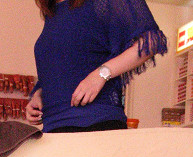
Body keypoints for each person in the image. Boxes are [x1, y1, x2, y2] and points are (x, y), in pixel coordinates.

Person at [25, 0, 167, 132]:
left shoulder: (102, 3)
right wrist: (39, 94)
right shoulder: (53, 11)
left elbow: (152, 41)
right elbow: (67, 63)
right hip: (52, 129)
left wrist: (101, 74)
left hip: (96, 125)